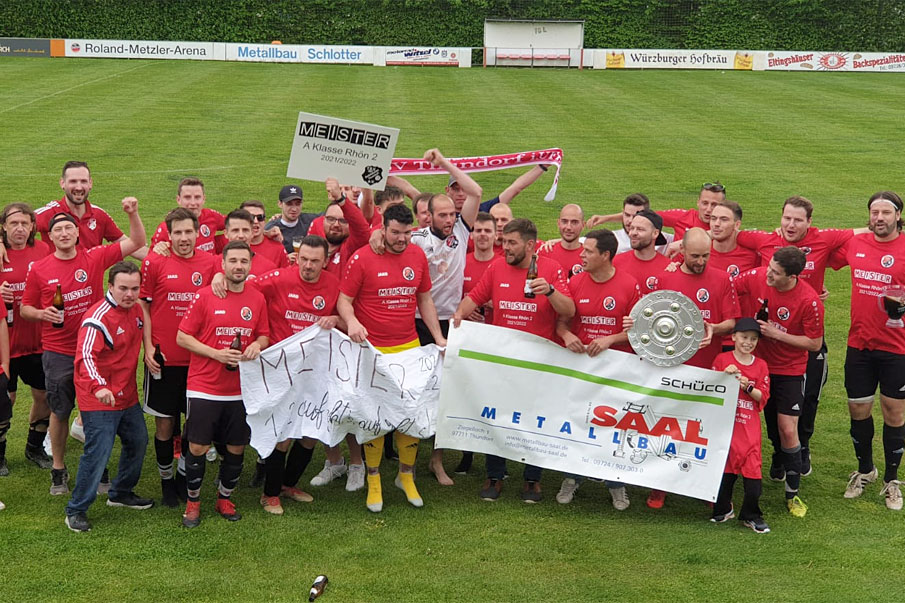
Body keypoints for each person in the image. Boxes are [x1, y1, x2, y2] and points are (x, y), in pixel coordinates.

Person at [21, 198, 146, 496]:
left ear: (78, 233)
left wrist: (133, 213)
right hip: (59, 352)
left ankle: (98, 467)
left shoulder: (94, 257)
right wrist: (42, 314)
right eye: (58, 230)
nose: (64, 233)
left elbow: (137, 242)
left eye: (69, 228)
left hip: (96, 350)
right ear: (50, 237)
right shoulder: (39, 269)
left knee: (94, 412)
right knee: (60, 410)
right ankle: (59, 469)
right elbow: (25, 308)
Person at [736, 195, 859, 478]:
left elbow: (860, 234)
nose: (791, 224)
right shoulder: (766, 241)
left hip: (805, 337)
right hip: (770, 344)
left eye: (797, 220)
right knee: (771, 400)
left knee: (808, 398)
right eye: (787, 218)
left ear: (809, 222)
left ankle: (802, 447)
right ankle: (780, 453)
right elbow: (727, 233)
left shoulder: (822, 241)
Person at [454, 218, 574, 503]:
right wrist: (457, 319)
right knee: (496, 417)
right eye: (504, 241)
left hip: (539, 363)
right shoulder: (497, 267)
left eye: (511, 243)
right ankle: (494, 475)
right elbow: (474, 298)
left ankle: (532, 479)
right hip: (503, 361)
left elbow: (569, 310)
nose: (505, 247)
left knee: (535, 421)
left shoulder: (551, 269)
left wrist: (550, 291)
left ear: (530, 245)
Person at [337, 204, 447, 513]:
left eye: (406, 233)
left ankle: (405, 476)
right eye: (395, 232)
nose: (401, 238)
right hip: (372, 351)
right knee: (374, 416)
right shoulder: (362, 257)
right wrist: (352, 322)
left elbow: (424, 298)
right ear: (383, 228)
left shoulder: (417, 256)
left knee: (410, 414)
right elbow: (344, 300)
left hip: (409, 348)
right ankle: (374, 480)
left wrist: (438, 337)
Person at [251, 235, 348, 514]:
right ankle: (269, 494)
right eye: (303, 259)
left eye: (314, 261)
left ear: (325, 262)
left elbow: (350, 319)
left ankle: (287, 484)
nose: (307, 265)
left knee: (310, 432)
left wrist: (336, 319)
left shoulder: (334, 285)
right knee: (283, 433)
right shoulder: (279, 278)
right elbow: (245, 290)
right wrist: (220, 278)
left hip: (316, 371)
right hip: (282, 369)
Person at [176, 241, 270, 527]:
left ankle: (224, 499)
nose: (238, 266)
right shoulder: (205, 296)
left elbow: (264, 335)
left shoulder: (257, 299)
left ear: (250, 264)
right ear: (223, 264)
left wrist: (257, 345)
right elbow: (182, 337)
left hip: (241, 389)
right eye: (233, 261)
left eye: (244, 261)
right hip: (204, 386)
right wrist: (215, 354)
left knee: (236, 447)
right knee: (197, 447)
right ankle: (193, 504)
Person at [409, 149, 482, 486]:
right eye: (443, 215)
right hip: (417, 322)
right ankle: (407, 459)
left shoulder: (462, 233)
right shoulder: (415, 240)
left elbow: (476, 191)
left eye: (452, 214)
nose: (449, 219)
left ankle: (436, 461)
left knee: (445, 392)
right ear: (429, 217)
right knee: (416, 390)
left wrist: (444, 164)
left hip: (451, 323)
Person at [733, 247, 824, 517]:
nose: (768, 274)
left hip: (789, 370)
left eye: (775, 272)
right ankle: (775, 458)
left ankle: (792, 494)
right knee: (764, 425)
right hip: (756, 366)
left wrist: (776, 334)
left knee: (787, 428)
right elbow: (726, 286)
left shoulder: (809, 301)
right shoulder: (757, 276)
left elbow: (814, 343)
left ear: (792, 276)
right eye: (769, 267)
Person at [64, 262, 154, 532]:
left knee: (138, 441)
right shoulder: (98, 319)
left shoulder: (135, 309)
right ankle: (76, 510)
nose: (130, 294)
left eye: (135, 289)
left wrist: (150, 347)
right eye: (123, 288)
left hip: (127, 395)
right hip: (99, 399)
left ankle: (120, 493)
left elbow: (143, 324)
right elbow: (85, 358)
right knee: (98, 453)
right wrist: (99, 387)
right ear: (110, 286)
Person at [139, 208, 220, 507]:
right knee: (164, 425)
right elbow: (144, 305)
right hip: (164, 359)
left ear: (198, 233)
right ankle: (166, 481)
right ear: (168, 235)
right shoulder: (154, 261)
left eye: (188, 232)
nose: (183, 238)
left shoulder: (211, 263)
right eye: (178, 232)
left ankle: (184, 478)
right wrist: (148, 345)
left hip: (199, 362)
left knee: (193, 426)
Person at [555, 229, 639, 510]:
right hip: (581, 370)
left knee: (612, 426)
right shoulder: (575, 281)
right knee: (579, 423)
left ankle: (615, 483)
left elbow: (639, 332)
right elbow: (561, 323)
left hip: (616, 371)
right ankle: (572, 477)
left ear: (605, 255)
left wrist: (610, 340)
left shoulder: (629, 285)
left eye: (588, 251)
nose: (582, 255)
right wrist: (567, 335)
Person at [833, 192, 905, 509]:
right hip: (859, 345)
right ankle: (865, 471)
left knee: (894, 412)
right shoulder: (856, 244)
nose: (879, 218)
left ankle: (892, 480)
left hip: (896, 348)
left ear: (898, 215)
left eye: (886, 212)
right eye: (875, 212)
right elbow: (821, 259)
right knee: (858, 410)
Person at [0, 203, 53, 472]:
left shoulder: (43, 251)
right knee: (5, 400)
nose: (19, 228)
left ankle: (34, 447)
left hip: (38, 343)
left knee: (44, 396)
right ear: (4, 227)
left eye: (25, 223)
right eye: (13, 223)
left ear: (33, 226)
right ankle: (0, 455)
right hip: (6, 345)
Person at [710, 317, 771, 534]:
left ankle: (751, 515)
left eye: (753, 339)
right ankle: (723, 509)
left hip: (749, 429)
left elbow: (763, 397)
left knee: (753, 478)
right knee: (725, 473)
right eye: (744, 337)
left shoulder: (761, 365)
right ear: (734, 337)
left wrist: (747, 386)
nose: (748, 342)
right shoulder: (722, 359)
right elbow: (710, 387)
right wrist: (723, 376)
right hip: (726, 428)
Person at [30, 161, 148, 260]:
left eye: (83, 181)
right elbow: (20, 231)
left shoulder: (99, 215)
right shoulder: (48, 213)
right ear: (62, 183)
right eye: (73, 181)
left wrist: (158, 260)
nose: (79, 187)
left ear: (90, 183)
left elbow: (134, 246)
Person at [150, 178, 225, 255]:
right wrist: (158, 248)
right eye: (187, 197)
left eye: (197, 197)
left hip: (210, 262)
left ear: (203, 199)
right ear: (178, 199)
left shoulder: (211, 215)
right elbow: (152, 256)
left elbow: (231, 223)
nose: (193, 203)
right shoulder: (166, 227)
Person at [586, 193, 673, 255]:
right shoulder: (612, 238)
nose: (630, 221)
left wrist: (606, 218)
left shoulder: (664, 240)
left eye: (635, 216)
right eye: (627, 215)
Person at [612, 209, 671, 293]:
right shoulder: (615, 263)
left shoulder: (668, 268)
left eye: (640, 229)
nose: (633, 233)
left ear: (655, 233)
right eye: (632, 228)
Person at [707, 201, 758, 279]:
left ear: (737, 225)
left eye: (724, 219)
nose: (716, 224)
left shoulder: (751, 257)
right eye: (713, 219)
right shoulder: (700, 253)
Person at [265, 185, 320, 255]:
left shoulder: (310, 220)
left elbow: (330, 214)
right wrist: (285, 258)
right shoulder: (271, 229)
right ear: (280, 204)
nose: (294, 209)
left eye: (298, 204)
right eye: (289, 204)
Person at [660, 182, 726, 239]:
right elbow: (653, 217)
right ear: (698, 202)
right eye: (705, 203)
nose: (708, 209)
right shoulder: (684, 217)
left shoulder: (726, 229)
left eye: (714, 205)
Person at [235, 201, 290, 268]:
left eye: (260, 217)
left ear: (265, 221)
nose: (255, 221)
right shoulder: (230, 244)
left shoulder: (278, 248)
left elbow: (287, 273)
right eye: (250, 217)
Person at [538, 204, 585, 278]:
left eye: (574, 222)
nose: (568, 227)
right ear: (558, 223)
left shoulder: (590, 255)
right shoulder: (545, 252)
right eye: (564, 221)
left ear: (583, 225)